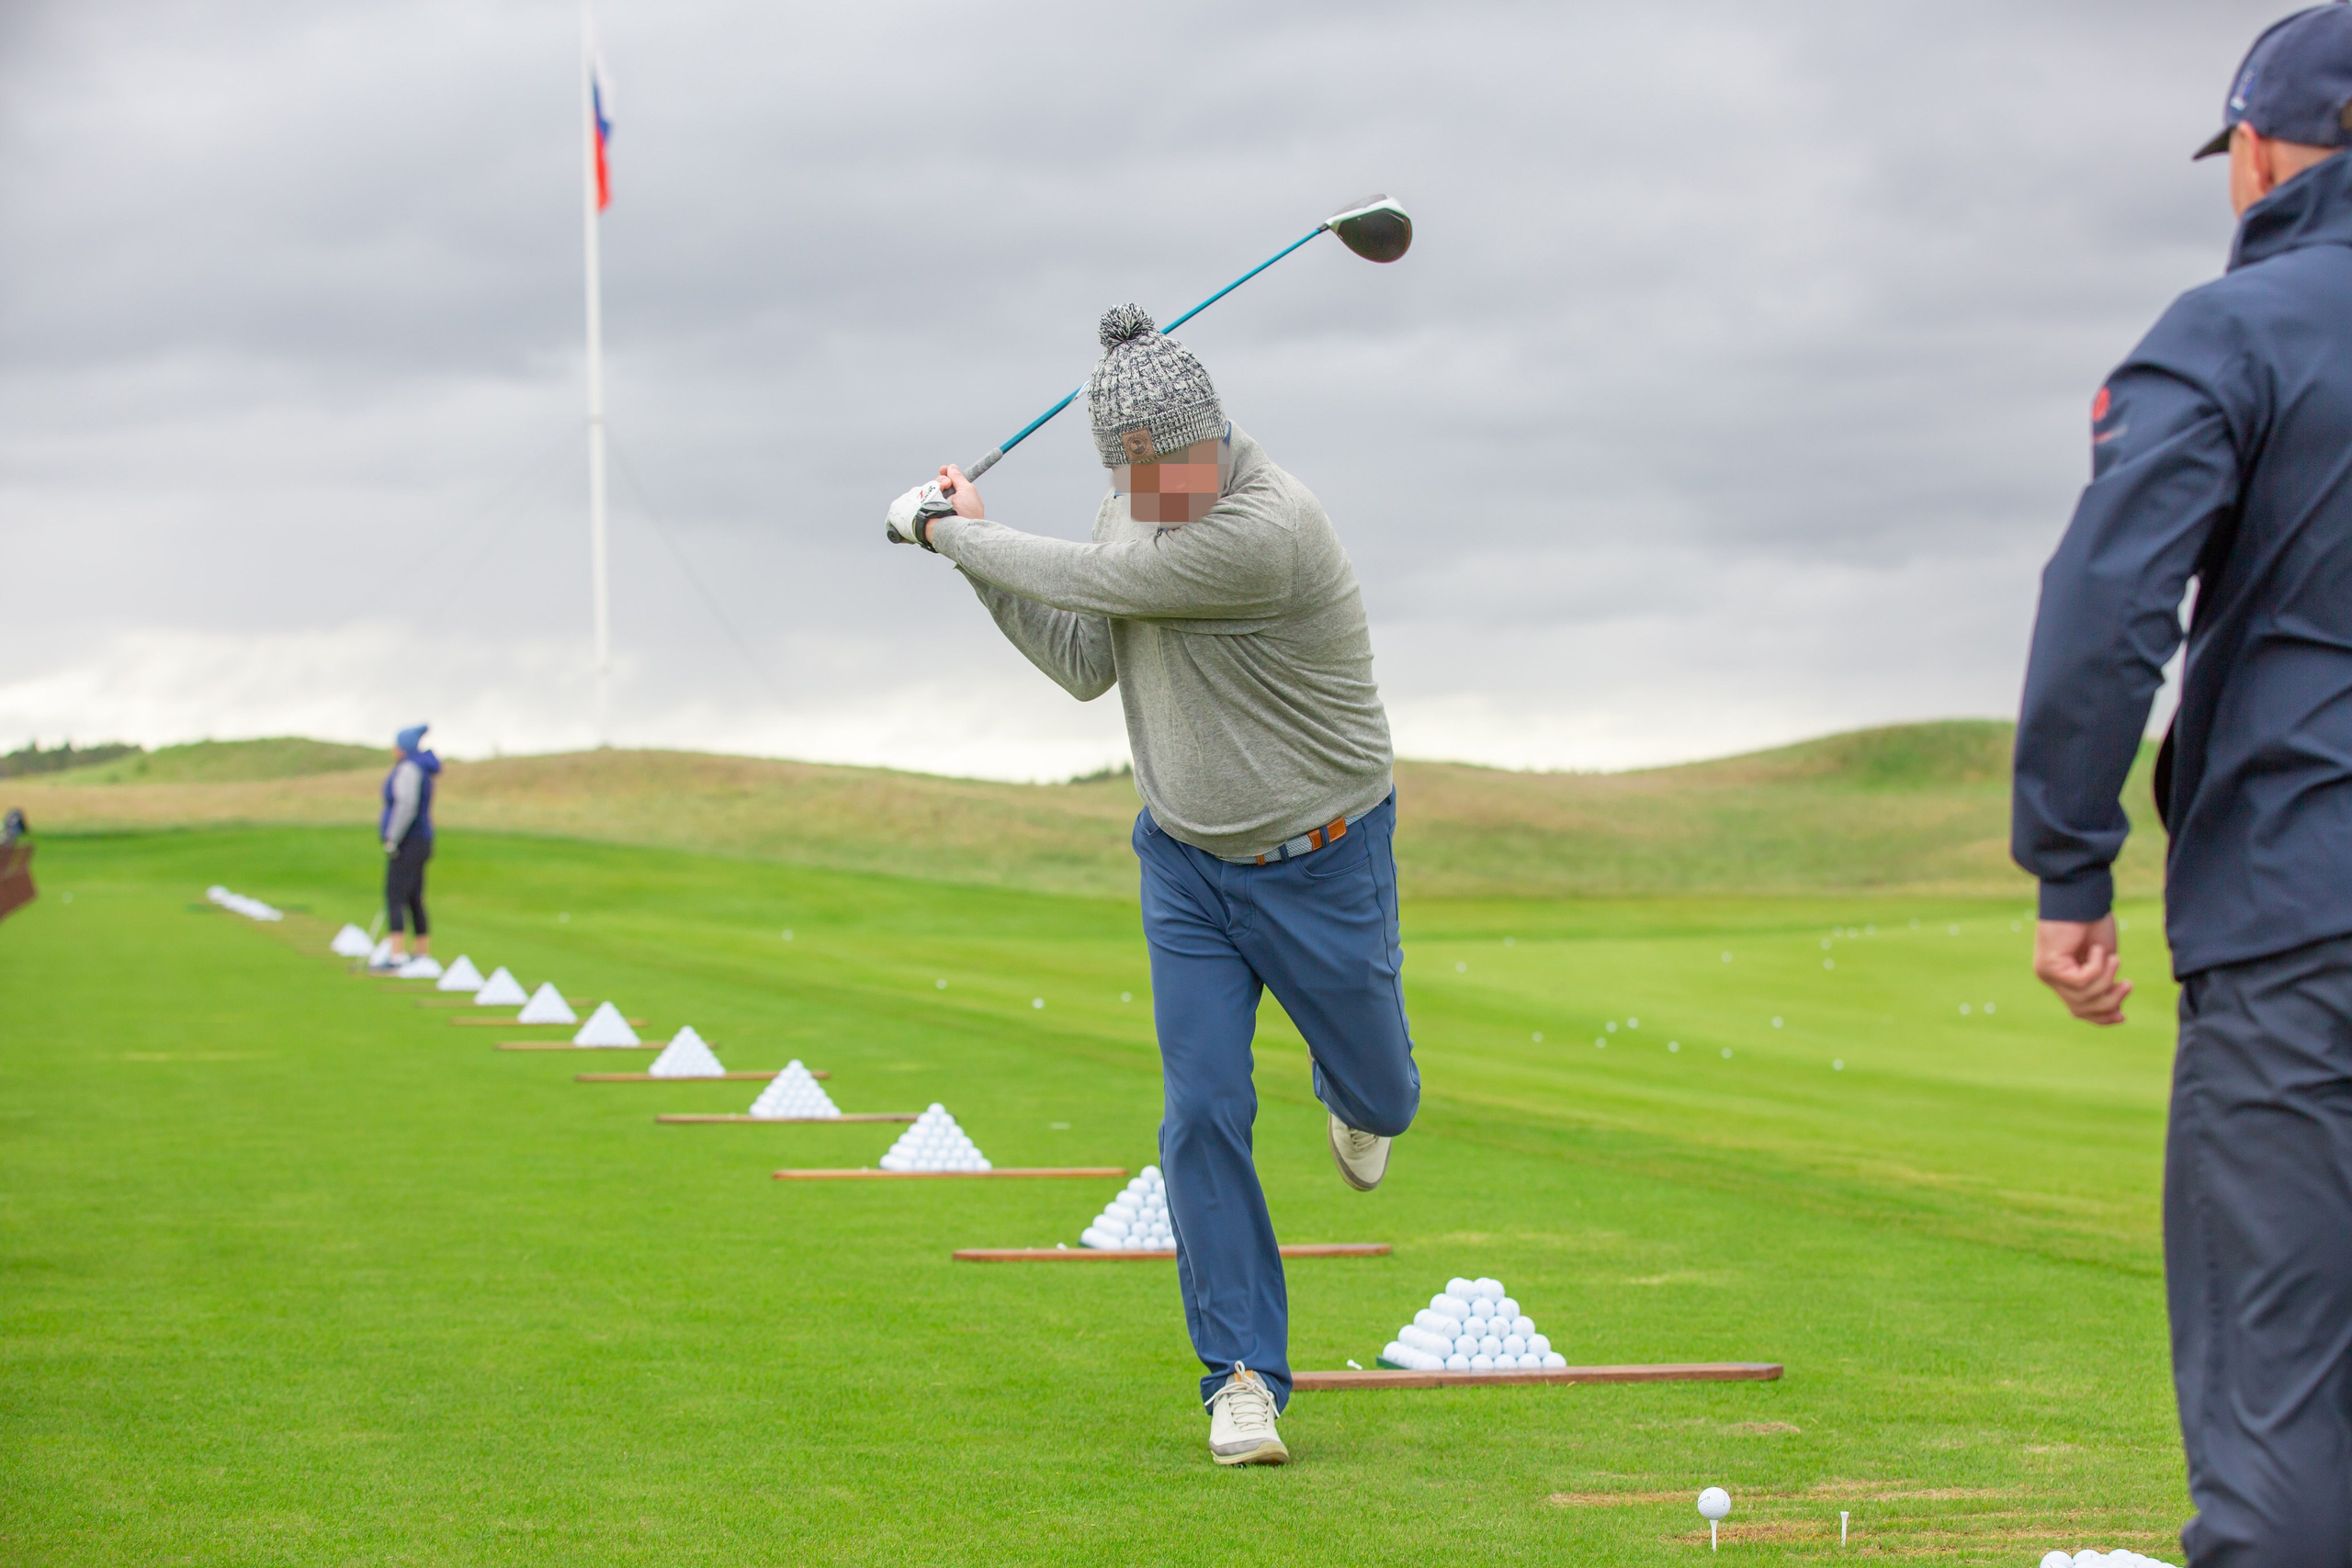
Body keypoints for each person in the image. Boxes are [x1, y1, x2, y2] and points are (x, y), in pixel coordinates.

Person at [885, 304, 1419, 1466]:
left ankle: (1354, 1090)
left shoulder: (1268, 530)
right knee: (1200, 1111)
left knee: (1389, 1098)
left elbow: (1094, 577)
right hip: (1186, 864)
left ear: (1216, 437)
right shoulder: (1132, 514)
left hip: (1325, 856)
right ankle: (1241, 1376)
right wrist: (972, 554)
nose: (1151, 492)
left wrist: (946, 536)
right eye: (1127, 474)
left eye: (1169, 466)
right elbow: (1084, 654)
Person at [2012, 7, 2352, 1561]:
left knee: (2284, 1406)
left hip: (2304, 923)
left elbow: (2110, 610)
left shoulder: (2235, 331)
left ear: (2269, 156)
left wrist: (2069, 870)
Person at [376, 724, 440, 971]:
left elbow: (406, 805)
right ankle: (421, 955)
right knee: (414, 896)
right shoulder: (420, 767)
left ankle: (397, 955)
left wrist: (393, 838)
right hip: (420, 840)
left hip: (409, 840)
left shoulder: (409, 768)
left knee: (395, 895)